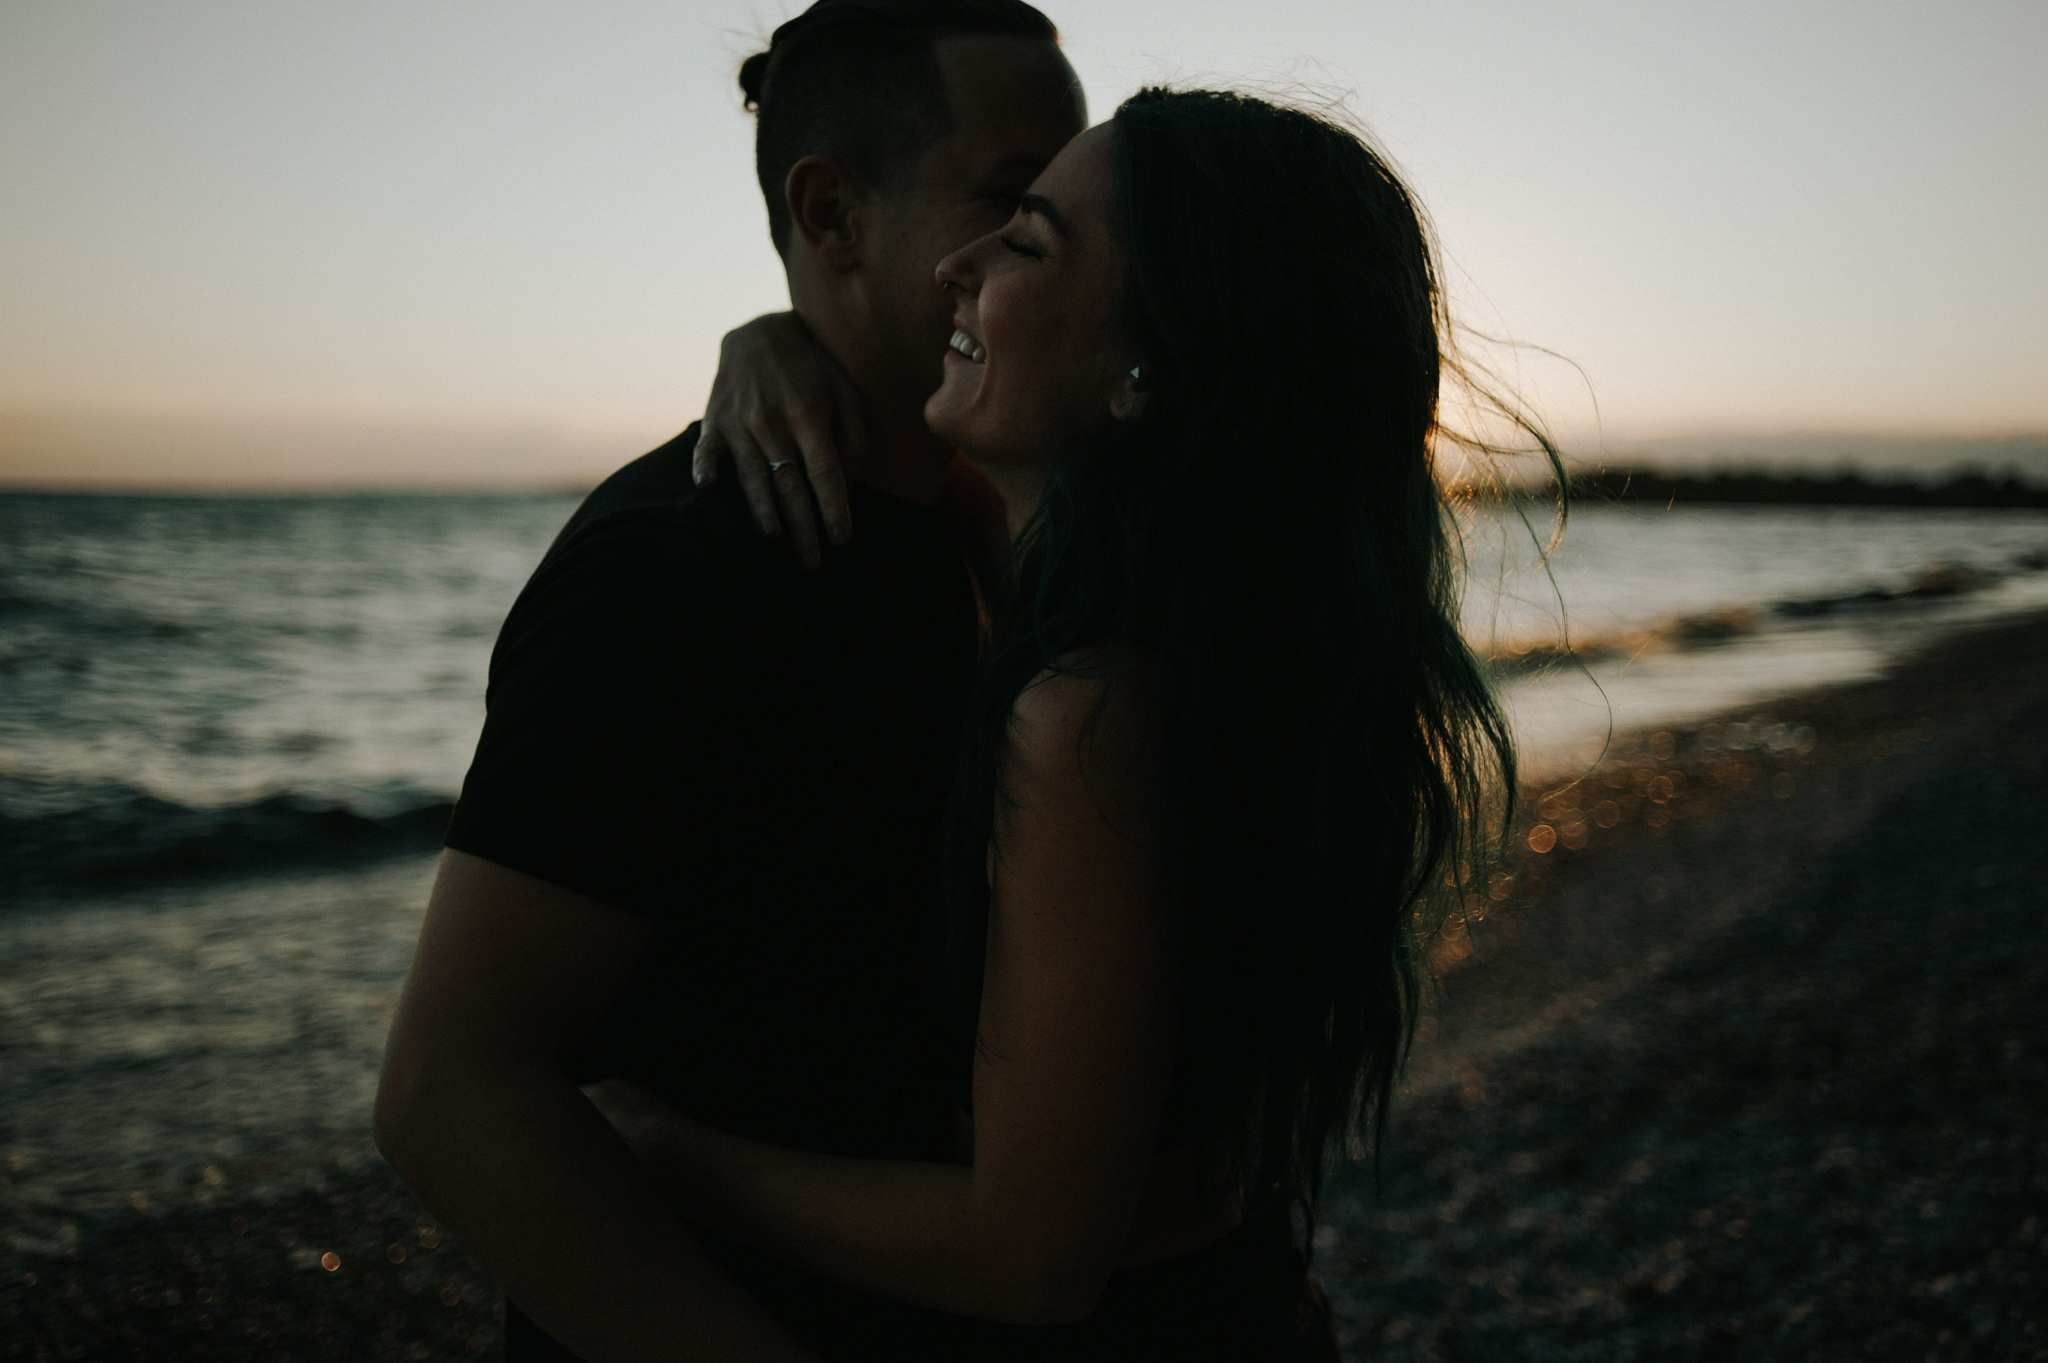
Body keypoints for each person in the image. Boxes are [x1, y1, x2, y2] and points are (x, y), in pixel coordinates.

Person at [589, 86, 1537, 1359]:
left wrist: (665, 1153)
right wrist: (767, 335)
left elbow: (1029, 1254)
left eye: (1026, 243)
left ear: (1149, 371)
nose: (955, 266)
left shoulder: (1094, 709)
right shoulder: (1217, 627)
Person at [372, 3, 1087, 1360]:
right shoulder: (673, 566)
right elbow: (449, 1092)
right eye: (1006, 200)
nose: (1041, 251)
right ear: (833, 218)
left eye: (1057, 210)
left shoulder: (1006, 523)